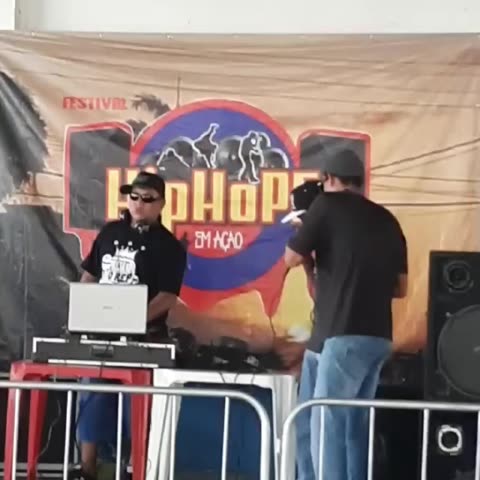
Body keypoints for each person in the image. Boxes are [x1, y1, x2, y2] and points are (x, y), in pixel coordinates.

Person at [284, 150, 408, 480]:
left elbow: (289, 258)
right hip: (374, 336)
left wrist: (306, 236)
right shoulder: (387, 220)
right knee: (350, 424)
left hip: (342, 334)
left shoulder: (326, 205)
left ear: (329, 179)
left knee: (326, 424)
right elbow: (401, 288)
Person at [72, 171, 187, 480]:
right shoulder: (109, 232)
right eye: (133, 196)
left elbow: (167, 297)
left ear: (161, 204)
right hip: (101, 335)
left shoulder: (169, 246)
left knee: (136, 408)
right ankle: (87, 469)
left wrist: (132, 317)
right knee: (91, 397)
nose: (138, 203)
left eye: (147, 199)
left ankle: (135, 470)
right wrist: (85, 308)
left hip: (144, 338)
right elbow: (89, 275)